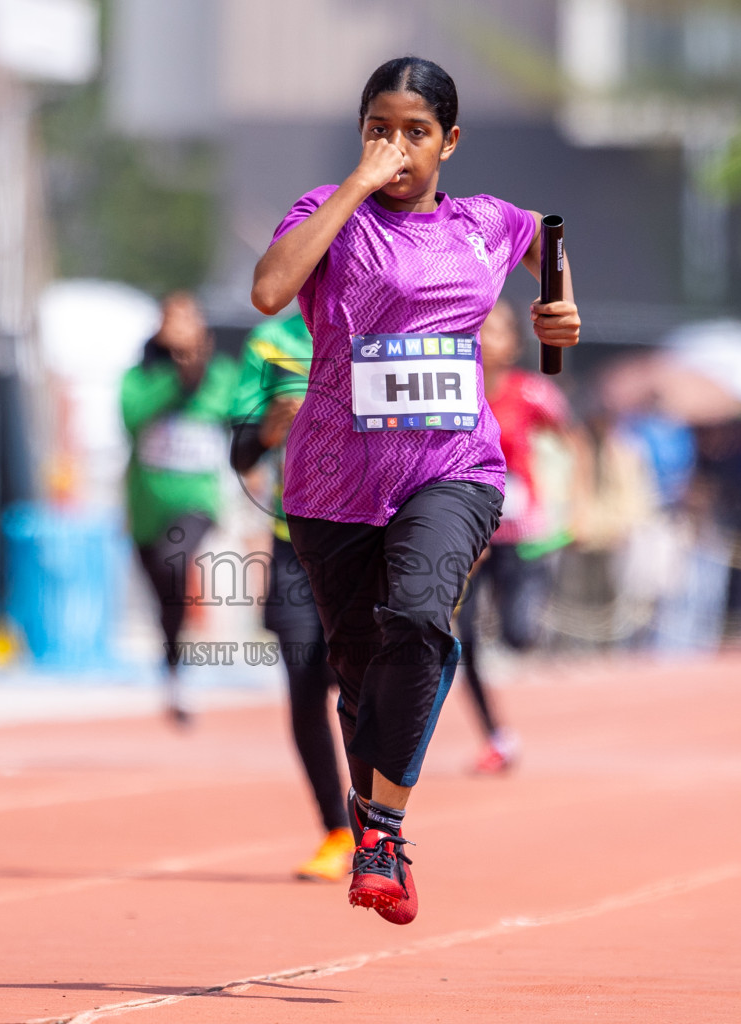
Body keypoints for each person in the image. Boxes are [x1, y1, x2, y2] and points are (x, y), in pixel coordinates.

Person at [249, 56, 580, 924]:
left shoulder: (482, 225)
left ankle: (382, 832)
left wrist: (559, 311)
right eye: (378, 130)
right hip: (332, 485)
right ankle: (374, 809)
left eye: (415, 132)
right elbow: (270, 290)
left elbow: (548, 235)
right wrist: (356, 184)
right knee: (359, 679)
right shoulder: (325, 216)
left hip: (452, 471)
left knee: (422, 617)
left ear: (450, 142)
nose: (396, 146)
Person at [229, 312, 354, 881]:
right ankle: (336, 831)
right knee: (305, 679)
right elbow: (241, 453)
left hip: (368, 536)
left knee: (357, 672)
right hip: (292, 541)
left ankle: (382, 817)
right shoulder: (271, 343)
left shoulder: (393, 317)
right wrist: (267, 431)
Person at [455, 299, 577, 773]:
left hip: (522, 534)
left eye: (498, 329)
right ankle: (496, 736)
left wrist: (578, 506)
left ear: (513, 342)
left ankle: (534, 599)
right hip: (472, 534)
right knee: (462, 639)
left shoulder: (531, 394)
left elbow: (576, 443)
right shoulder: (455, 390)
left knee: (519, 636)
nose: (486, 335)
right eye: (480, 326)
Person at [120, 292, 238, 726]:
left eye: (189, 317)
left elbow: (241, 418)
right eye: (172, 318)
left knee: (176, 561)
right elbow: (131, 416)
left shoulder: (223, 376)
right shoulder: (140, 378)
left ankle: (183, 672)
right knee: (164, 599)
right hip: (146, 508)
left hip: (198, 502)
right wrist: (177, 379)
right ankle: (175, 677)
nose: (180, 326)